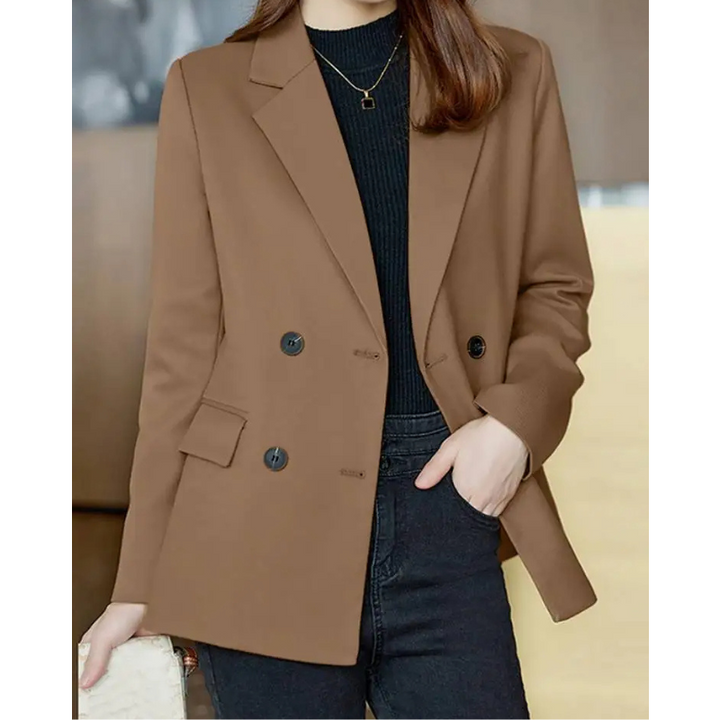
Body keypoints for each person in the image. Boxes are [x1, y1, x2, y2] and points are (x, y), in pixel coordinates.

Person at [79, 0, 596, 717]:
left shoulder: (508, 69)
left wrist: (513, 428)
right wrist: (140, 581)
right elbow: (183, 353)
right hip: (264, 525)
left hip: (445, 505)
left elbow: (556, 286)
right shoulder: (208, 87)